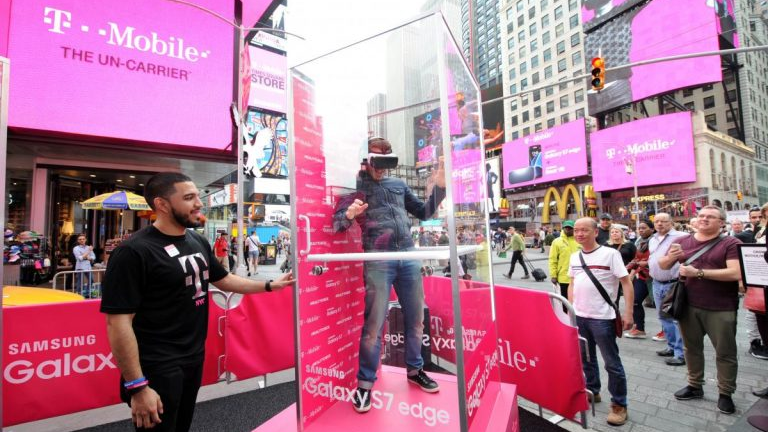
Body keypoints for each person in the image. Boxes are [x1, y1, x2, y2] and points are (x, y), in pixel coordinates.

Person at [100, 172, 295, 431]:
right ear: (162, 205)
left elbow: (223, 279)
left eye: (197, 196)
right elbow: (118, 324)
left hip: (192, 358)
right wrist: (137, 386)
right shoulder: (133, 252)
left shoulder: (196, 240)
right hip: (157, 365)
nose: (199, 204)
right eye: (189, 198)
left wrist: (270, 285)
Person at [333, 137, 446, 413]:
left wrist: (440, 188)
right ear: (367, 159)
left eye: (386, 161)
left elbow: (423, 212)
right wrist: (348, 214)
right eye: (377, 161)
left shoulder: (398, 185)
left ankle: (414, 370)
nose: (382, 168)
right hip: (377, 259)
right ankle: (364, 385)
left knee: (417, 319)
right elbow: (337, 224)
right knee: (374, 325)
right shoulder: (355, 187)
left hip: (407, 256)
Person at [660, 205, 742, 415]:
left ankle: (725, 394)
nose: (704, 219)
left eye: (711, 217)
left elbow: (735, 273)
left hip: (720, 307)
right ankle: (695, 385)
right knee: (691, 349)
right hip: (688, 305)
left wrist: (699, 273)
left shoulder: (731, 243)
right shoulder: (682, 241)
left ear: (721, 223)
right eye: (702, 215)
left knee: (725, 352)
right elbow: (663, 265)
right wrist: (671, 258)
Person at [568, 218, 634, 426]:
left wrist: (629, 313)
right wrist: (571, 309)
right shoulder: (575, 256)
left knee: (612, 363)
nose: (579, 234)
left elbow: (626, 283)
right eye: (576, 230)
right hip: (581, 317)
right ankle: (592, 391)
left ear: (596, 232)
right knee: (586, 359)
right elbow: (572, 283)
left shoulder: (611, 254)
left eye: (584, 230)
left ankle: (619, 404)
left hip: (603, 318)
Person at [648, 212, 688, 364]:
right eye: (657, 221)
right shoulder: (653, 239)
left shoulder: (682, 237)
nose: (659, 224)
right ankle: (671, 347)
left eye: (663, 221)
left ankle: (681, 354)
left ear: (671, 222)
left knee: (676, 319)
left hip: (674, 283)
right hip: (657, 283)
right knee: (663, 317)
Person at [625, 220, 654, 339]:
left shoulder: (656, 241)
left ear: (652, 229)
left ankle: (666, 332)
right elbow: (636, 259)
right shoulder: (638, 242)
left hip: (654, 278)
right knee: (635, 300)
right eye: (639, 228)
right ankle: (639, 328)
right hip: (641, 276)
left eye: (644, 228)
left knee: (660, 306)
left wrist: (647, 263)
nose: (641, 230)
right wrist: (626, 269)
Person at [549, 220, 580, 309]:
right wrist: (553, 275)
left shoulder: (579, 240)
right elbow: (552, 260)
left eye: (570, 228)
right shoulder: (557, 242)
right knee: (565, 303)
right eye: (566, 228)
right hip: (564, 277)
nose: (567, 230)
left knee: (578, 301)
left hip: (579, 276)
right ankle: (567, 320)